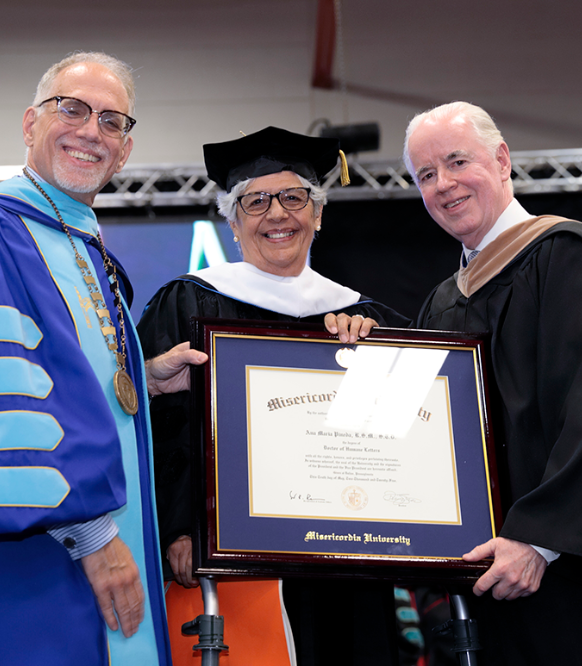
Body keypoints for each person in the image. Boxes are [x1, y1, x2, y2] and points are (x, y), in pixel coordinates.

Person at [0, 51, 206, 666]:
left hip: (70, 549)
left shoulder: (76, 239)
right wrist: (93, 536)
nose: (92, 131)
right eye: (73, 108)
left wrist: (144, 377)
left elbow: (57, 374)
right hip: (19, 564)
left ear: (127, 148)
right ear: (30, 122)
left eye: (113, 121)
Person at [392, 101, 582, 664]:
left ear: (502, 160)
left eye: (457, 161)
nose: (444, 185)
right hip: (490, 585)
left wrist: (538, 539)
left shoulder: (568, 257)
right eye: (426, 176)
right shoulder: (442, 302)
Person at [138, 126, 409, 666]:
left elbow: (402, 443)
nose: (277, 214)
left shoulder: (366, 318)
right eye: (255, 201)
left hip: (346, 561)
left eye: (293, 197)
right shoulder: (187, 303)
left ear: (319, 214)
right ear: (232, 222)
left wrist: (382, 360)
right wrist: (180, 528)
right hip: (230, 560)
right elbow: (162, 427)